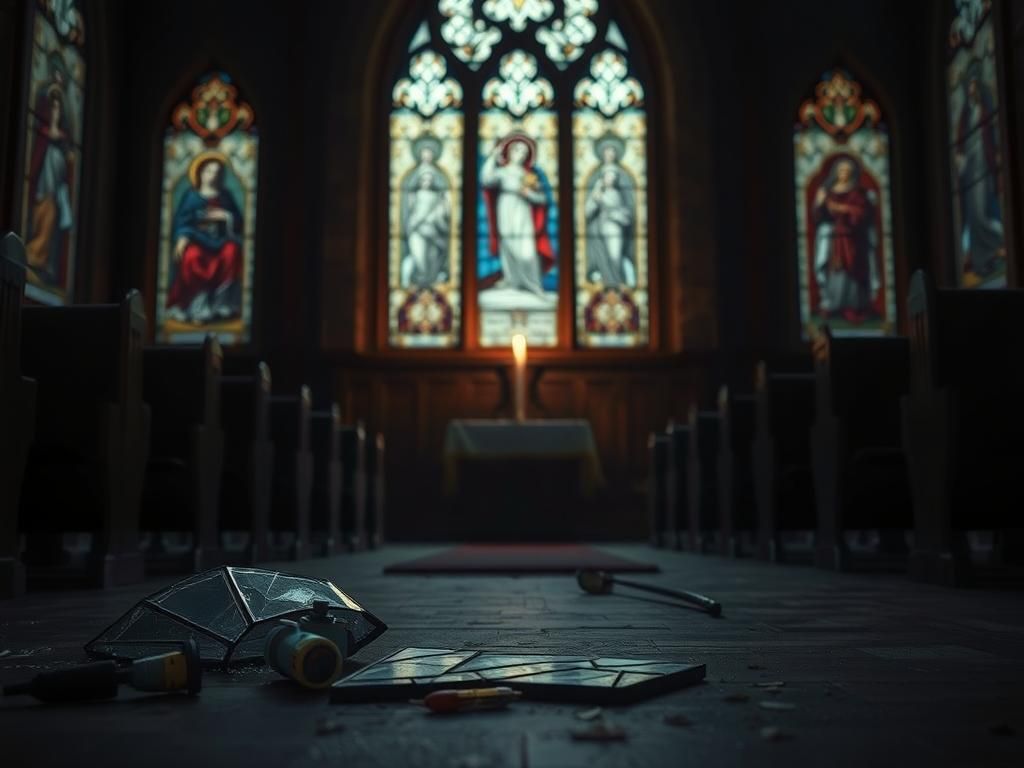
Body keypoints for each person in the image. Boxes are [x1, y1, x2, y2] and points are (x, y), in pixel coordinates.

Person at [165, 151, 244, 324]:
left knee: (232, 250)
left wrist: (225, 216)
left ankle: (221, 305)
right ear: (200, 173)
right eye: (208, 171)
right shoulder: (191, 196)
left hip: (221, 241)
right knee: (191, 256)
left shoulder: (225, 197)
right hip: (197, 241)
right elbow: (182, 221)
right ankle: (197, 307)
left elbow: (238, 222)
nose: (212, 176)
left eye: (217, 173)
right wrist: (182, 236)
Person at [480, 134, 554, 296]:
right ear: (510, 152)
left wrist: (529, 194)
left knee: (527, 248)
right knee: (507, 243)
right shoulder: (501, 172)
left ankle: (534, 284)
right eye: (517, 150)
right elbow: (486, 180)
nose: (520, 154)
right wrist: (493, 157)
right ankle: (512, 280)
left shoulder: (530, 177)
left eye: (524, 152)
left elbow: (542, 199)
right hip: (505, 208)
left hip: (522, 211)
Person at [25, 53, 74, 280]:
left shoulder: (61, 111)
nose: (56, 107)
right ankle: (34, 253)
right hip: (45, 164)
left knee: (52, 208)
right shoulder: (45, 97)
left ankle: (43, 259)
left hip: (55, 163)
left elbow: (62, 135)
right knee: (43, 204)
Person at [812, 156, 879, 323]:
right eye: (841, 171)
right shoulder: (827, 192)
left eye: (847, 171)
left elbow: (862, 213)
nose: (844, 174)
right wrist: (819, 203)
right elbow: (818, 216)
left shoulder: (857, 192)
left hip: (853, 239)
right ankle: (834, 305)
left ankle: (854, 307)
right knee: (835, 271)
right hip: (834, 240)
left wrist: (842, 209)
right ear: (835, 172)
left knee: (853, 272)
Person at [954, 64, 1005, 278]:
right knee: (974, 214)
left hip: (984, 164)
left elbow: (991, 135)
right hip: (970, 168)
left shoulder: (985, 108)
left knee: (982, 210)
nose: (971, 91)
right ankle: (980, 258)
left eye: (974, 86)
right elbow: (960, 143)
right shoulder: (966, 116)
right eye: (969, 88)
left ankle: (996, 245)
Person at [585, 165, 636, 287]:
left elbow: (624, 215)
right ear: (603, 178)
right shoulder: (597, 194)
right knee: (603, 258)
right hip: (600, 232)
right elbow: (587, 212)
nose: (611, 179)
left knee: (614, 256)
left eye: (613, 176)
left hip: (614, 230)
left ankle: (616, 283)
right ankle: (607, 283)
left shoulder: (616, 195)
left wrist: (602, 200)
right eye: (608, 175)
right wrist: (595, 193)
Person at [401, 170, 451, 287]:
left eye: (429, 180)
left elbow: (440, 214)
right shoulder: (414, 195)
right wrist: (415, 223)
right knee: (419, 259)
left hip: (432, 232)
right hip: (417, 231)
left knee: (431, 259)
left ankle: (430, 284)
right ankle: (417, 283)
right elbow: (410, 213)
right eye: (424, 179)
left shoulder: (436, 196)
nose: (426, 182)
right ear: (420, 181)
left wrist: (434, 217)